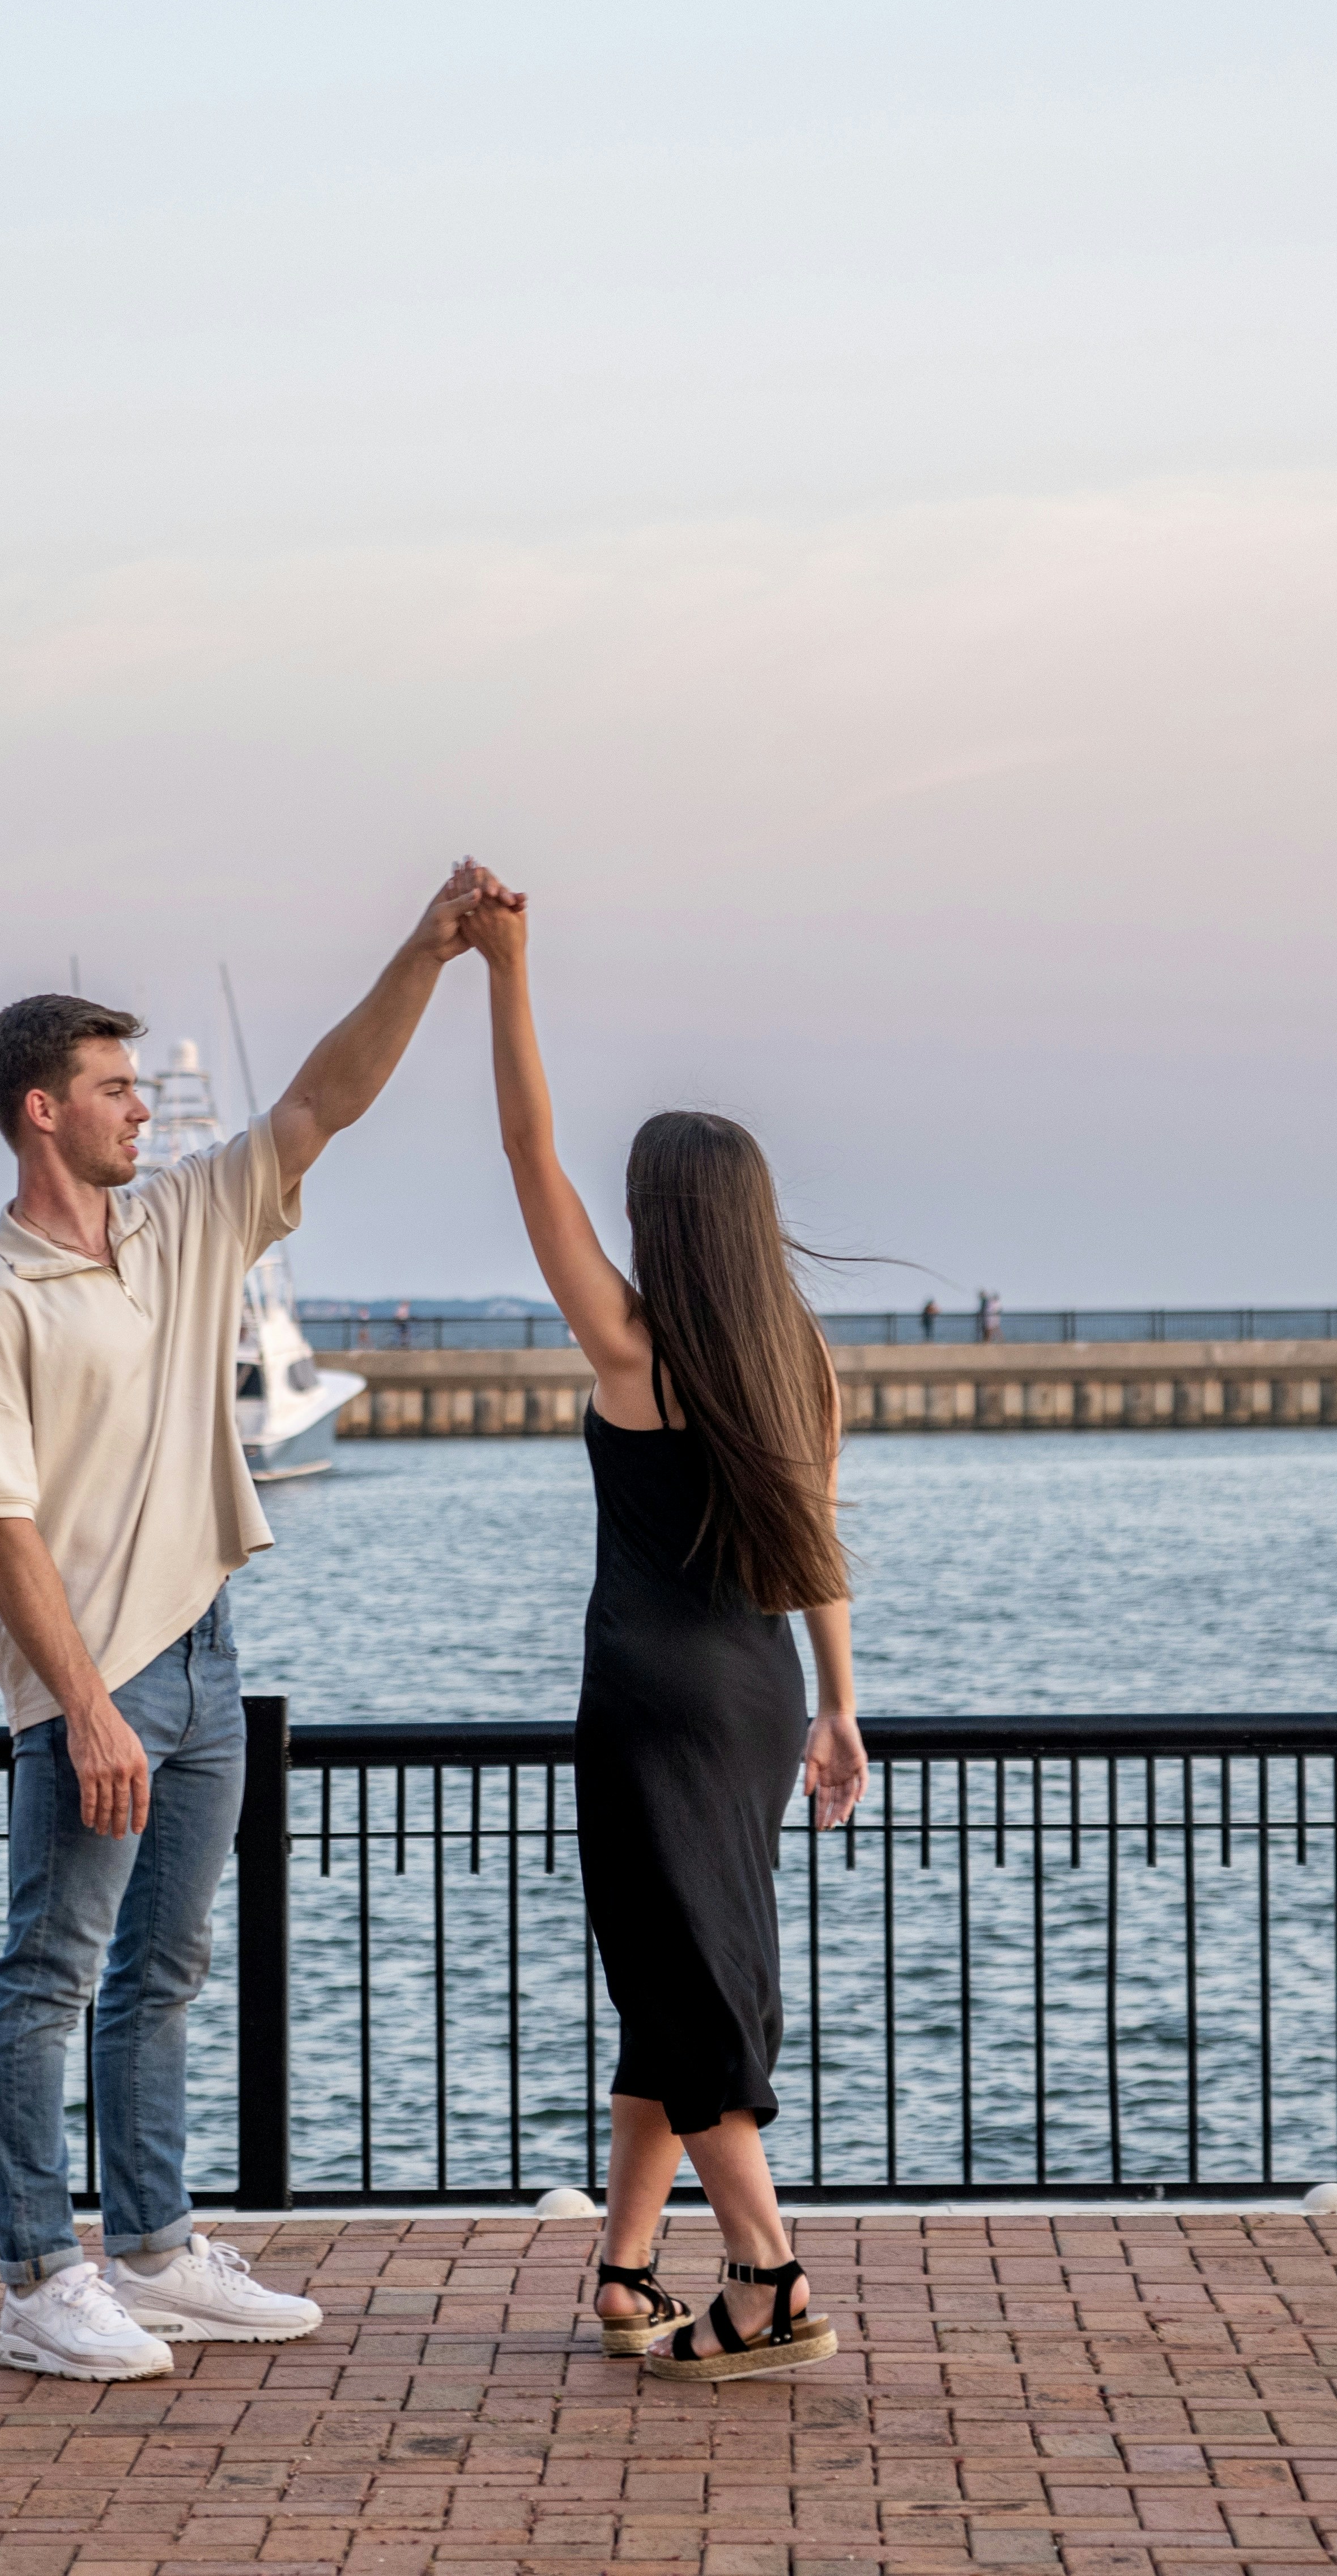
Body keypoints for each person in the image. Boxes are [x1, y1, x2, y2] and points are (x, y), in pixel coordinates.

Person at [0, 865, 495, 2381]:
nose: (140, 1109)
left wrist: (427, 950)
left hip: (209, 1657)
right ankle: (41, 2281)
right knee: (50, 1978)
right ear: (41, 1109)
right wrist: (86, 1708)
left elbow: (319, 1103)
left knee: (162, 1976)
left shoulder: (177, 1223)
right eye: (113, 1088)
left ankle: (157, 2253)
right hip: (93, 1686)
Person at [466, 872, 866, 2381]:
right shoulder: (796, 1360)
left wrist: (507, 969)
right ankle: (628, 2270)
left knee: (681, 1980)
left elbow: (527, 1150)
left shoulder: (633, 1347)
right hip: (756, 1697)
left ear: (657, 1220)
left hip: (646, 1704)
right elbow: (817, 1546)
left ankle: (768, 2275)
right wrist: (838, 1705)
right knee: (682, 1967)